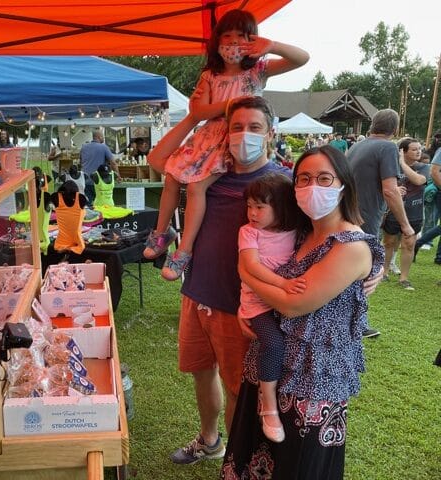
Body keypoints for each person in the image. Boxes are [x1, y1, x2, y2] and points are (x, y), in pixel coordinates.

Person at [221, 145, 384, 479]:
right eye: (304, 179)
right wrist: (247, 305)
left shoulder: (350, 246)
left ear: (344, 184)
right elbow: (256, 262)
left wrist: (246, 277)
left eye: (324, 178)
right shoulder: (302, 233)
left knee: (298, 464)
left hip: (314, 377)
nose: (313, 187)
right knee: (258, 456)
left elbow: (292, 304)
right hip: (270, 362)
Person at [168, 96, 291, 465]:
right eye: (237, 127)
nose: (244, 136)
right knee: (201, 373)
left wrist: (370, 261)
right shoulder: (207, 176)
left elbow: (324, 232)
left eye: (254, 128)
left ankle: (238, 461)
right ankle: (210, 441)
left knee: (239, 387)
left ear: (269, 134)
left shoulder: (282, 183)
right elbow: (161, 161)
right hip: (197, 292)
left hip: (240, 306)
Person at [145, 9, 309, 280]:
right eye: (227, 36)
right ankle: (162, 232)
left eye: (241, 37)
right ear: (217, 40)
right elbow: (198, 112)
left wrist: (272, 46)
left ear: (252, 41)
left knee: (197, 186)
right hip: (208, 136)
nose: (233, 43)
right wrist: (230, 104)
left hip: (229, 139)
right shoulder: (210, 75)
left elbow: (302, 58)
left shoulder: (258, 71)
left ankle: (184, 250)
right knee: (172, 177)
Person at [238, 173, 305, 443]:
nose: (252, 213)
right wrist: (283, 284)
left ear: (281, 206)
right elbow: (251, 266)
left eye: (260, 206)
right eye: (249, 206)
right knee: (274, 344)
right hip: (258, 304)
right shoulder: (248, 232)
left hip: (287, 303)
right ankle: (269, 407)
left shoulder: (298, 231)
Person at [348, 108, 414, 338]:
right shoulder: (387, 147)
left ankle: (352, 321)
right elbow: (389, 191)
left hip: (348, 215)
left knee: (351, 271)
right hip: (367, 218)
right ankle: (358, 324)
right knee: (364, 272)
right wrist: (406, 226)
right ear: (394, 130)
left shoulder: (358, 145)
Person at [381, 138, 428, 290]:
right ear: (403, 151)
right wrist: (396, 191)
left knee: (408, 245)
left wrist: (402, 163)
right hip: (394, 212)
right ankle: (384, 272)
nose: (418, 151)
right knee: (389, 242)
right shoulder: (391, 167)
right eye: (414, 149)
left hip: (414, 213)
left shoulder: (423, 167)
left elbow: (419, 180)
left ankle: (404, 278)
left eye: (419, 148)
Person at [79, 129, 119, 203]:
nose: (103, 138)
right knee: (100, 204)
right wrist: (118, 176)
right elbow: (113, 163)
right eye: (103, 137)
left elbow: (80, 162)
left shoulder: (84, 147)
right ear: (99, 137)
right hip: (99, 182)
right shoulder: (103, 147)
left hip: (85, 181)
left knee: (88, 205)